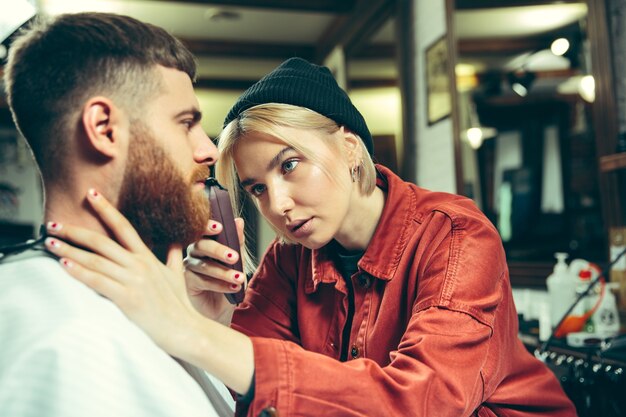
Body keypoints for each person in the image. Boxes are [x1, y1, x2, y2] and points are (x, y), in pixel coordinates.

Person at [46, 57, 578, 416]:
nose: (276, 205)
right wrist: (213, 317)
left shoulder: (456, 237)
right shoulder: (287, 262)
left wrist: (185, 330)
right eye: (255, 188)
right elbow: (256, 390)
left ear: (349, 148)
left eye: (290, 164)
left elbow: (424, 403)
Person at [0, 12, 235, 417]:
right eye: (186, 123)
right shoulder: (65, 339)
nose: (209, 150)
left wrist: (211, 329)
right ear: (104, 128)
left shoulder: (164, 307)